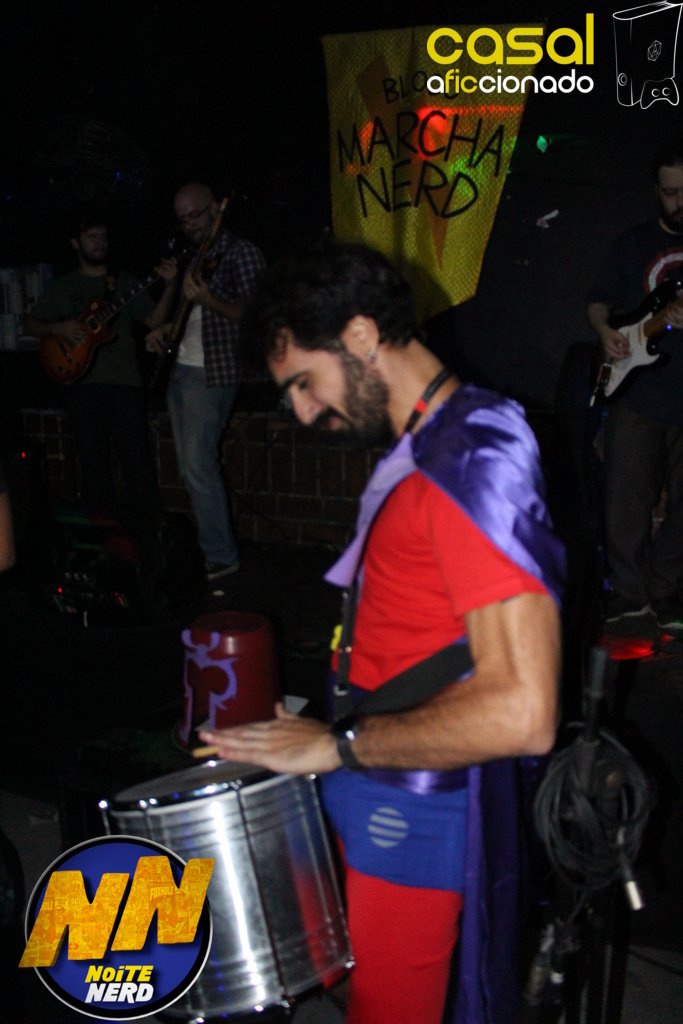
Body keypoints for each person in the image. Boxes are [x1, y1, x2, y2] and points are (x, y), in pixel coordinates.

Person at [196, 242, 564, 1024]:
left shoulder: (475, 454)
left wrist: (338, 745)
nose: (302, 412)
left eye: (302, 382)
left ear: (361, 335)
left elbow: (522, 713)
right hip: (373, 780)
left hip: (412, 810)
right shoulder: (428, 444)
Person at [146, 182, 266, 584]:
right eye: (182, 220)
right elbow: (192, 317)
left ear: (216, 208)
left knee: (198, 465)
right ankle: (212, 550)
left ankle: (221, 555)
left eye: (195, 215)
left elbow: (259, 314)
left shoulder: (241, 252)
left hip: (213, 370)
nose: (189, 225)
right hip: (182, 366)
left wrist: (210, 300)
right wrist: (165, 329)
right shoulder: (199, 255)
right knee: (189, 467)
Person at [587, 141, 683, 630]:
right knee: (625, 500)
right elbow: (598, 301)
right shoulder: (632, 243)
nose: (679, 202)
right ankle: (628, 595)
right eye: (670, 193)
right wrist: (605, 331)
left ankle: (669, 594)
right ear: (656, 192)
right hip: (637, 392)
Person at [25, 215, 176, 519]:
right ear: (76, 243)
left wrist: (171, 286)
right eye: (92, 237)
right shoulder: (64, 285)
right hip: (81, 385)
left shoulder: (124, 281)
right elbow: (31, 324)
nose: (99, 243)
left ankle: (149, 529)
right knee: (93, 464)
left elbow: (153, 321)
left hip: (124, 383)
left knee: (137, 459)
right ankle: (104, 533)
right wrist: (58, 328)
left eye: (103, 236)